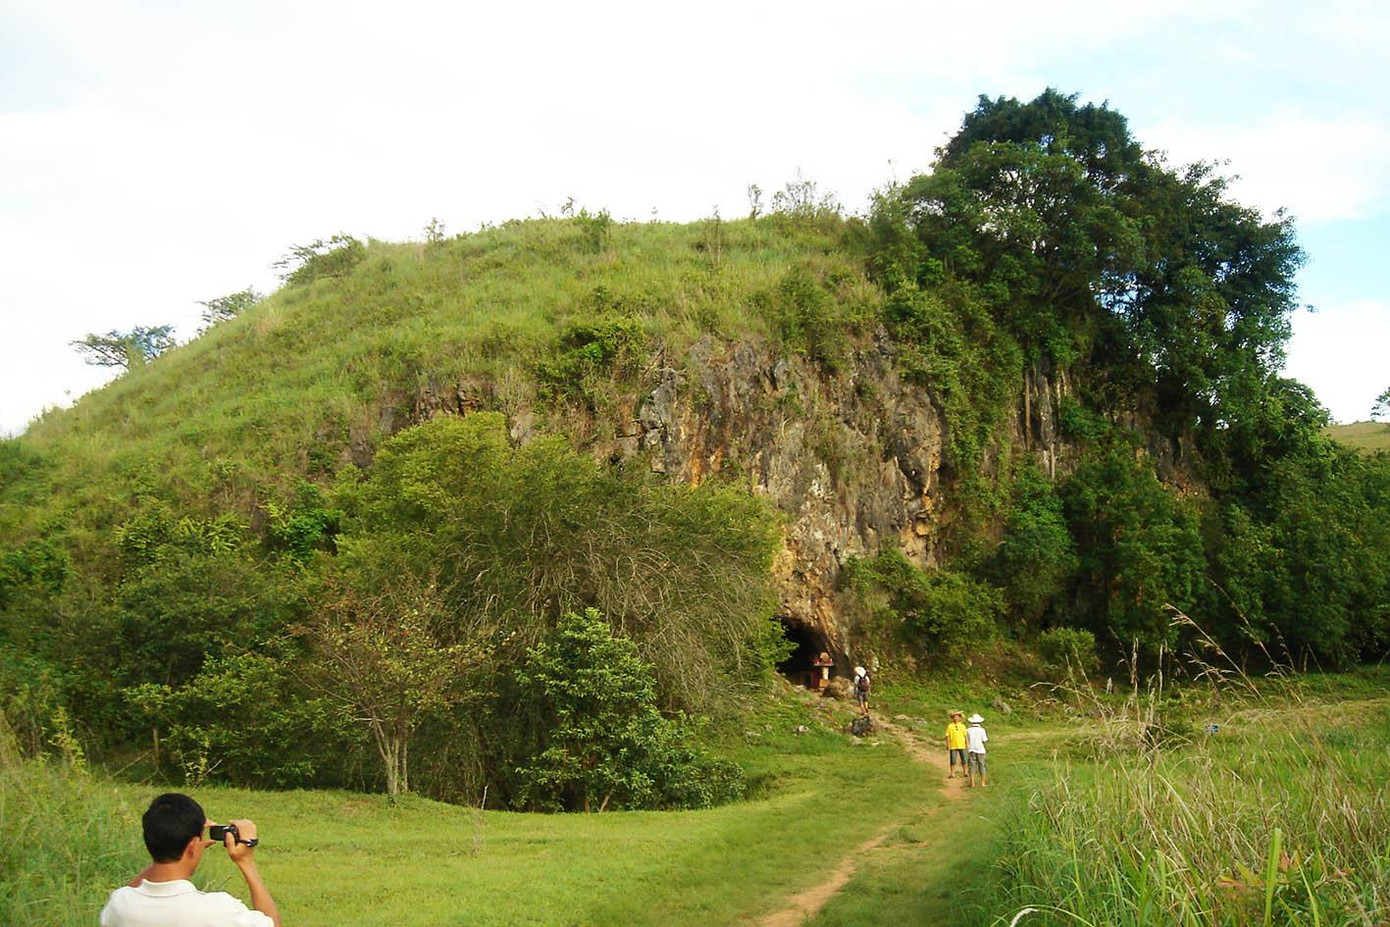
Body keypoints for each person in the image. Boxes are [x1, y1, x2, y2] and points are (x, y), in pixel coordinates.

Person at [100, 792, 282, 927]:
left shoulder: (120, 905)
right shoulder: (218, 910)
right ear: (193, 846)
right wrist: (246, 861)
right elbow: (272, 923)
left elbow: (129, 891)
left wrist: (164, 845)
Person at [965, 713, 988, 788]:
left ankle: (972, 783)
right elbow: (984, 740)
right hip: (980, 749)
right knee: (982, 766)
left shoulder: (968, 730)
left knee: (972, 766)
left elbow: (967, 740)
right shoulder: (982, 730)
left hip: (972, 749)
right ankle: (983, 783)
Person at [945, 710, 968, 779]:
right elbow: (947, 736)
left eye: (957, 717)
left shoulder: (963, 726)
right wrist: (948, 744)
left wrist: (967, 744)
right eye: (954, 717)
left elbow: (965, 736)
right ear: (952, 718)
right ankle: (952, 773)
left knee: (964, 759)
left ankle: (965, 772)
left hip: (962, 745)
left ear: (960, 718)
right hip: (953, 745)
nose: (956, 718)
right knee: (953, 760)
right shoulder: (950, 726)